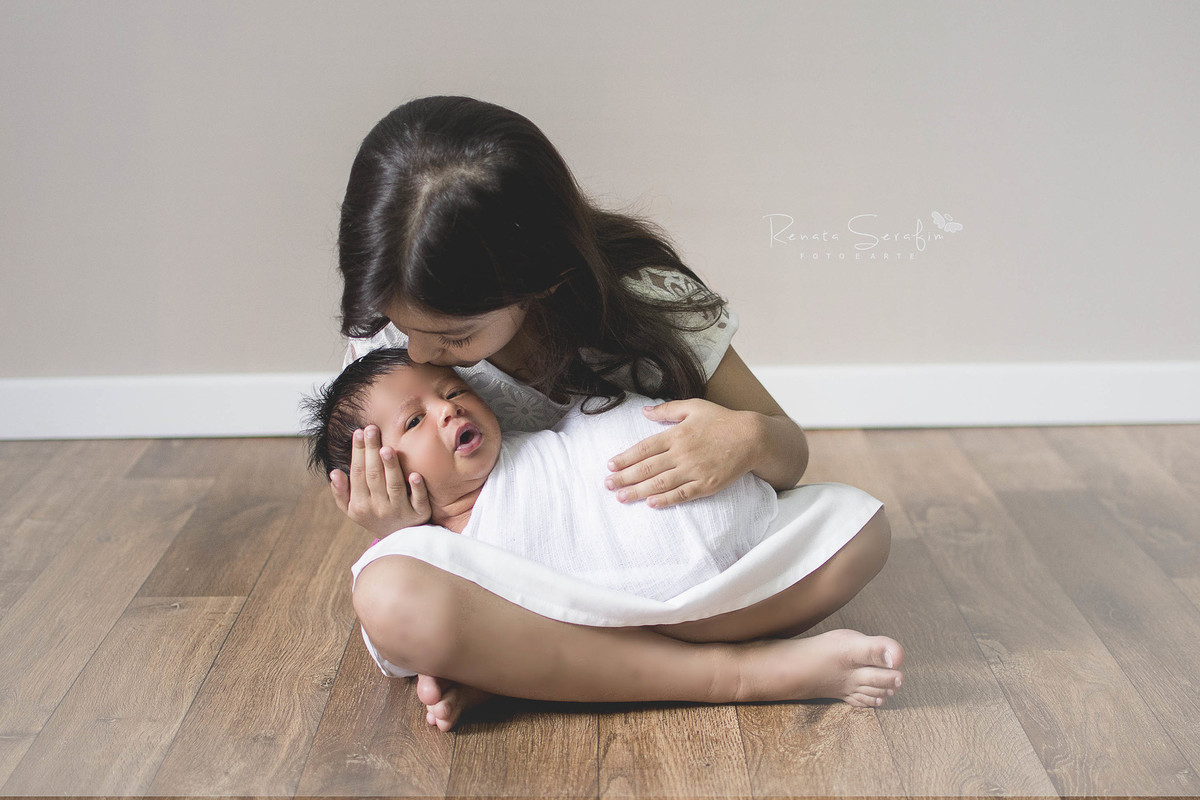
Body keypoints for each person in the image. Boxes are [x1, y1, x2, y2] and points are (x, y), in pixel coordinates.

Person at [329, 95, 902, 731]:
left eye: (455, 338)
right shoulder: (386, 335)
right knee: (389, 598)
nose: (418, 352)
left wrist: (742, 438)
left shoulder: (646, 300)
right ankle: (737, 675)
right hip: (519, 581)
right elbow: (432, 530)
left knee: (860, 534)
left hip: (648, 566)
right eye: (404, 327)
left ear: (541, 281)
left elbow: (789, 453)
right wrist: (395, 523)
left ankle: (523, 671)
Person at [305, 347, 782, 601]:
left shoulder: (527, 449)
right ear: (377, 472)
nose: (447, 411)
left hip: (721, 495)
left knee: (857, 527)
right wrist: (401, 534)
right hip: (700, 583)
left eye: (452, 391)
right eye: (414, 422)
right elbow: (402, 635)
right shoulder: (435, 556)